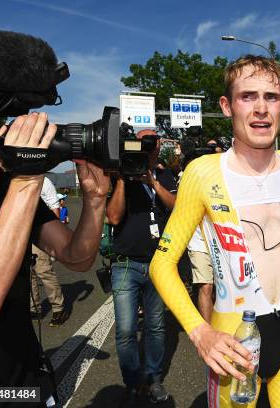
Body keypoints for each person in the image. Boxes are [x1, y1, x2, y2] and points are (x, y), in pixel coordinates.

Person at [150, 55, 280, 408]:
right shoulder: (203, 173)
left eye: (271, 97)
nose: (260, 109)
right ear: (227, 106)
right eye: (248, 96)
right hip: (234, 348)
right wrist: (201, 333)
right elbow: (161, 265)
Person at [0, 112, 109, 405]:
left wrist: (95, 199)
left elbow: (76, 256)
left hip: (23, 381)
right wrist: (29, 172)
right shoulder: (19, 183)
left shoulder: (2, 186)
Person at [106, 128, 177, 406]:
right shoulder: (120, 176)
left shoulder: (165, 174)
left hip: (159, 263)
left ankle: (153, 378)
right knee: (125, 329)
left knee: (156, 326)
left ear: (159, 145)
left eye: (153, 140)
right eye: (143, 140)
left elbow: (175, 206)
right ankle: (133, 382)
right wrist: (125, 179)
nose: (149, 145)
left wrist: (153, 181)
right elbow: (113, 217)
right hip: (126, 264)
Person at [29, 178, 70, 326]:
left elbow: (54, 207)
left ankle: (59, 308)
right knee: (28, 273)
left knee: (44, 271)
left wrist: (53, 238)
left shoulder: (43, 181)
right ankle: (34, 308)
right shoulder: (15, 179)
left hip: (40, 231)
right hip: (21, 233)